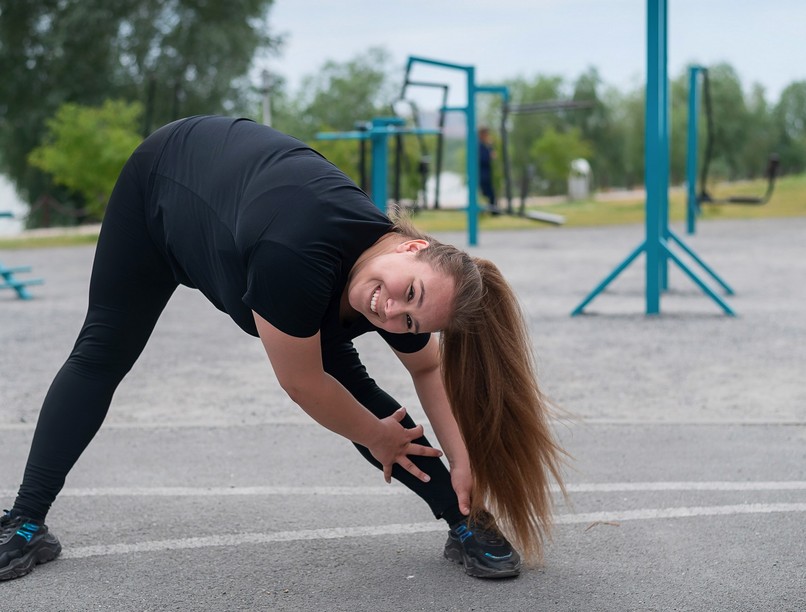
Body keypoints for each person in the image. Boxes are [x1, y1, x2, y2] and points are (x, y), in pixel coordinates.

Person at [0, 116, 566, 582]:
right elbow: (303, 384)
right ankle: (25, 523)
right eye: (406, 295)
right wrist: (377, 435)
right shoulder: (298, 255)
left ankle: (463, 519)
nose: (391, 313)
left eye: (412, 316)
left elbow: (428, 371)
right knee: (101, 355)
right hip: (161, 188)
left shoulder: (409, 287)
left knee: (361, 396)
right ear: (414, 245)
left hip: (256, 230)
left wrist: (463, 460)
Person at [478, 126, 498, 213]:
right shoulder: (479, 145)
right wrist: (490, 155)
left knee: (490, 194)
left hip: (486, 173)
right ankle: (492, 211)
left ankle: (492, 210)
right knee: (488, 193)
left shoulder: (485, 145)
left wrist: (490, 146)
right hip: (482, 174)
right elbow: (482, 159)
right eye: (486, 134)